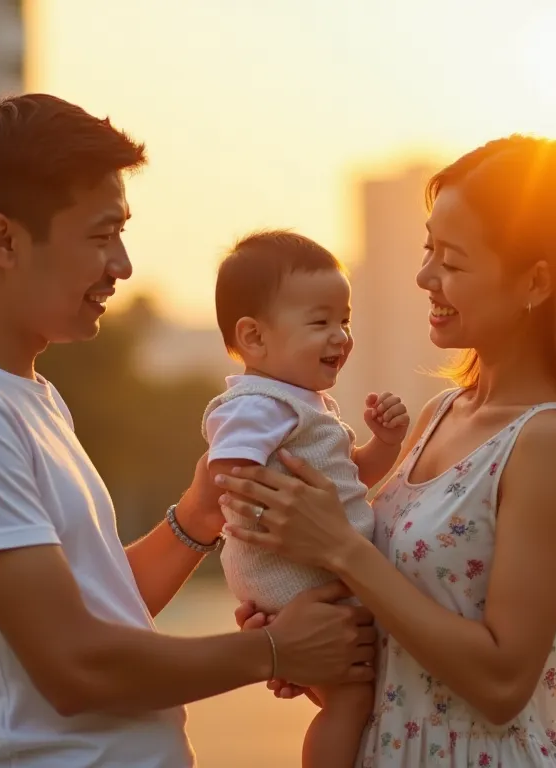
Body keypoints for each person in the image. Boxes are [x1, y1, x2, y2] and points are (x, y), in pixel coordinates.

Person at [0, 94, 375, 768]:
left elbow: (97, 607)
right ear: (5, 240)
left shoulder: (23, 396)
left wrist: (198, 515)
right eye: (102, 236)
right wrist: (276, 651)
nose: (123, 265)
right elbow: (76, 666)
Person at [221, 136, 556, 767]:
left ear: (534, 281)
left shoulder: (545, 440)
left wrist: (340, 550)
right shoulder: (440, 414)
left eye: (451, 261)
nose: (425, 276)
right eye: (428, 248)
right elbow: (400, 608)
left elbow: (503, 682)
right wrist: (306, 630)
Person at [205, 230, 410, 768]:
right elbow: (225, 470)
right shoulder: (257, 404)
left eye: (344, 320)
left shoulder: (307, 406)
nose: (340, 336)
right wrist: (259, 516)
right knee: (350, 698)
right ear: (253, 338)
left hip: (307, 566)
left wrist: (384, 444)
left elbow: (351, 480)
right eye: (320, 323)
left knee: (351, 688)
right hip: (292, 571)